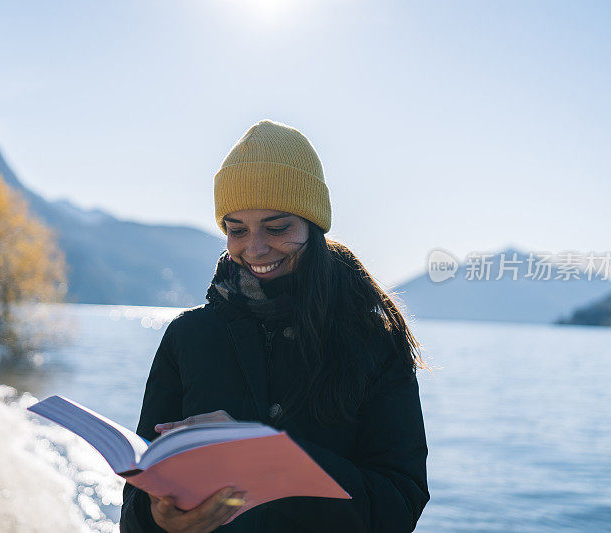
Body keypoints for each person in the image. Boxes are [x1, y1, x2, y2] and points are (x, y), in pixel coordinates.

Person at [120, 119, 430, 532]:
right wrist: (157, 517)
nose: (256, 247)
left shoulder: (374, 342)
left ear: (312, 224)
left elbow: (398, 505)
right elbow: (137, 504)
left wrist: (264, 457)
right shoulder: (187, 337)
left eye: (277, 227)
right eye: (236, 229)